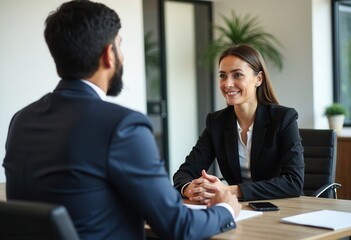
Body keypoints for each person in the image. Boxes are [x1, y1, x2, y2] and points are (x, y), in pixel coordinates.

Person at [2, 1, 242, 239]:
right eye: (120, 45)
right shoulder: (122, 125)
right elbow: (178, 225)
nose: (123, 57)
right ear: (108, 54)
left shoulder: (21, 120)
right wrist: (225, 209)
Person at [173, 44, 305, 203]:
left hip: (281, 208)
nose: (227, 84)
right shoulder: (216, 123)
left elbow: (293, 182)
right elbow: (184, 173)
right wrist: (192, 189)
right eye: (222, 76)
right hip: (239, 210)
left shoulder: (283, 118)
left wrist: (229, 190)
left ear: (258, 79)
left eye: (237, 75)